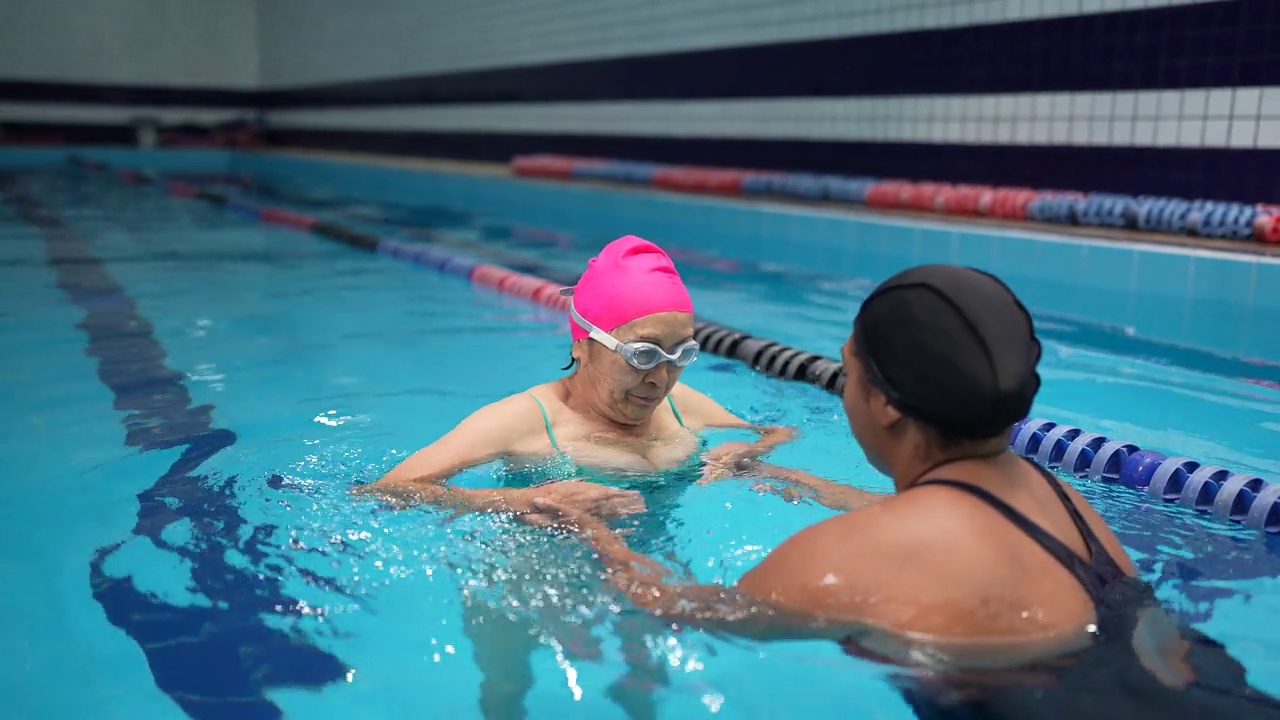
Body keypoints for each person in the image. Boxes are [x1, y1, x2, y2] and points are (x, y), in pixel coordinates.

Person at [527, 264, 1280, 719]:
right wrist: (803, 482)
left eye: (847, 371)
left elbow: (676, 611)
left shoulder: (848, 558)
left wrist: (590, 531)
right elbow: (951, 538)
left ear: (884, 402)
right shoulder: (1062, 499)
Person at [356, 234, 797, 720]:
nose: (661, 378)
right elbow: (384, 489)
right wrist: (520, 502)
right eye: (643, 356)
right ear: (583, 343)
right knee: (506, 690)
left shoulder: (678, 405)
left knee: (647, 686)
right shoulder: (522, 419)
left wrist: (740, 454)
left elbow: (777, 433)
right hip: (529, 585)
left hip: (645, 574)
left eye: (680, 356)